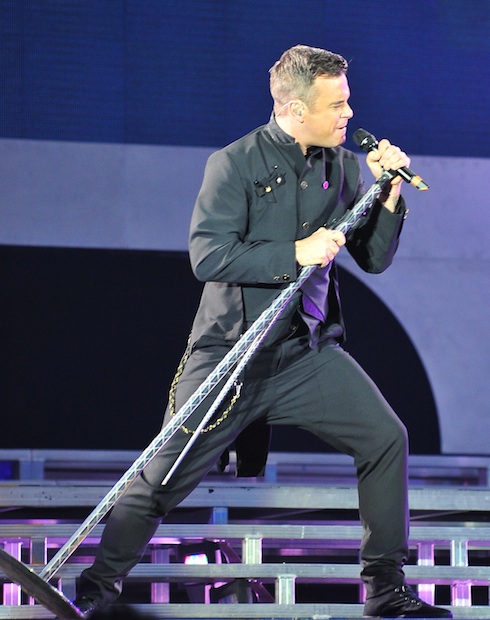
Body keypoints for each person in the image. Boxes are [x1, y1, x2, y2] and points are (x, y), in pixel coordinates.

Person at [74, 44, 452, 618]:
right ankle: (95, 591)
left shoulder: (345, 168)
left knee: (386, 438)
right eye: (336, 105)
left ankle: (384, 587)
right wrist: (295, 251)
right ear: (295, 109)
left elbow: (374, 259)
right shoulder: (234, 163)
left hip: (304, 353)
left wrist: (389, 195)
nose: (349, 114)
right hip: (231, 355)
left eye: (347, 101)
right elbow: (209, 255)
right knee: (164, 474)